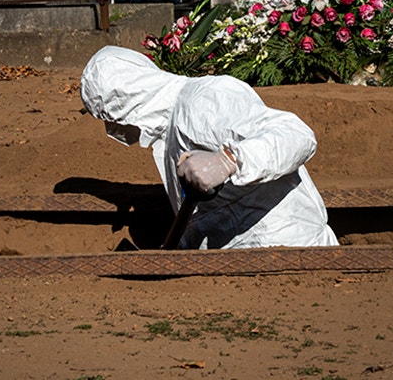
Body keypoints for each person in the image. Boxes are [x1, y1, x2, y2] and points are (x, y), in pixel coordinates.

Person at [79, 45, 338, 249]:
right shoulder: (171, 131)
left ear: (122, 104)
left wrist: (229, 161)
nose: (111, 128)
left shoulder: (204, 101)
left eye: (107, 117)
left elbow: (296, 135)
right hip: (250, 260)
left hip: (292, 250)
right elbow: (207, 212)